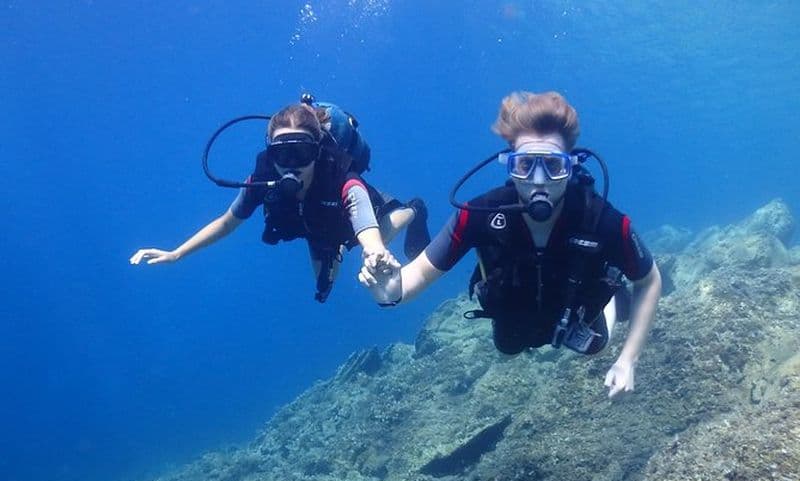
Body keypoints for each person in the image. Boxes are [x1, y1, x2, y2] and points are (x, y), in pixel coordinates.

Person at [359, 91, 661, 397]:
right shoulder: (478, 215)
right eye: (525, 165)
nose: (539, 180)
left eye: (553, 166)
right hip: (516, 311)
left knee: (596, 346)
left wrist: (628, 360)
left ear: (570, 166)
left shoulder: (601, 219)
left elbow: (649, 281)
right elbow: (420, 274)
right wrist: (390, 290)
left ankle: (611, 298)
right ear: (509, 165)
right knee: (507, 346)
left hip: (575, 308)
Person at [130, 101, 430, 302]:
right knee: (323, 288)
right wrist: (177, 253)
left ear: (317, 151)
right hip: (315, 225)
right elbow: (226, 223)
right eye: (281, 154)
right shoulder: (261, 180)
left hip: (345, 217)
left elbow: (365, 224)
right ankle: (333, 248)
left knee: (370, 242)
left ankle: (414, 210)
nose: (291, 165)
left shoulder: (340, 177)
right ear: (270, 154)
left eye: (301, 153)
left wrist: (375, 251)